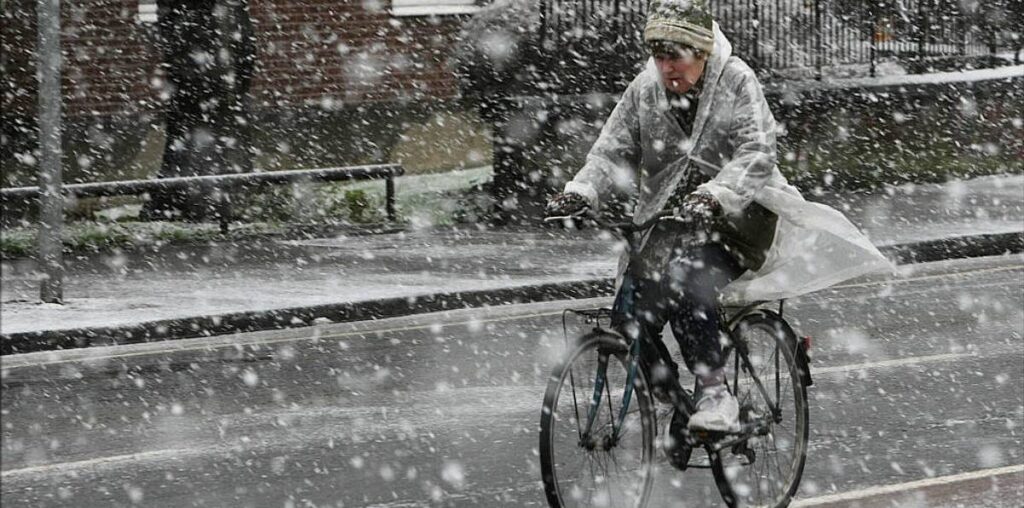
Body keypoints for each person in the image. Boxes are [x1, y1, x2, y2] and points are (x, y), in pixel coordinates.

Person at [545, 0, 892, 441]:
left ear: (703, 52)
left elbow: (758, 152)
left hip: (738, 221)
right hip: (669, 223)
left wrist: (715, 194)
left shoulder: (736, 80)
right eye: (659, 56)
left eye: (677, 56)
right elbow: (609, 150)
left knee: (690, 284)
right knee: (629, 312)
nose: (667, 67)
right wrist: (581, 190)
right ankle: (676, 400)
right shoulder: (644, 90)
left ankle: (716, 396)